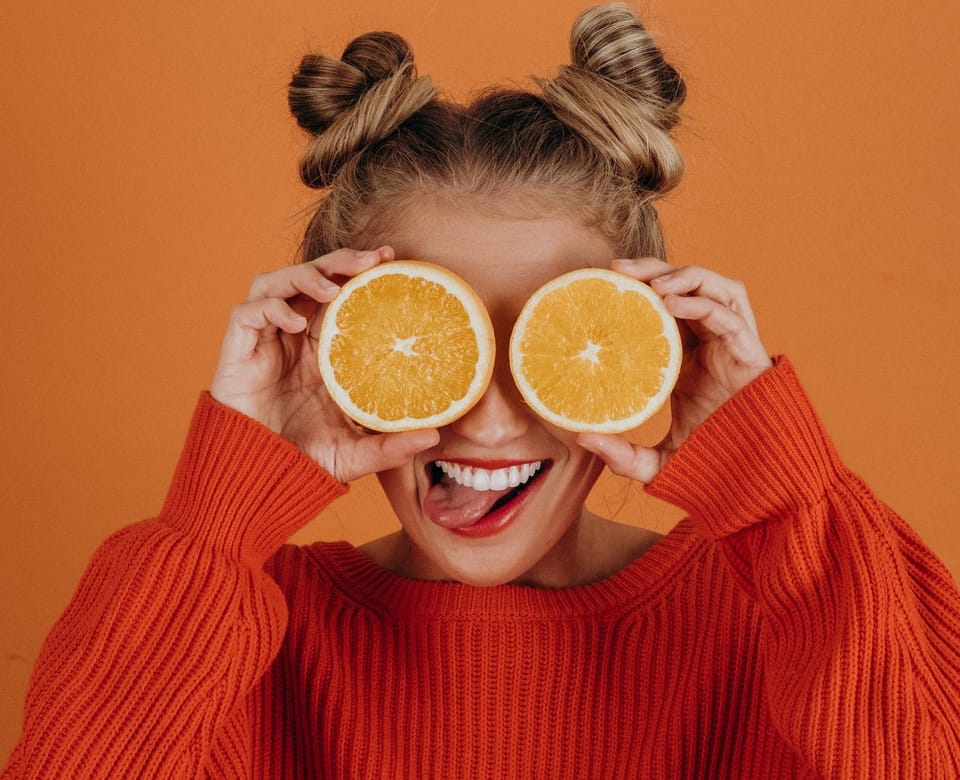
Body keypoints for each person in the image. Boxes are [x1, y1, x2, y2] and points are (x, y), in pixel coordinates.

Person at [3, 3, 959, 777]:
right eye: (432, 346)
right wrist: (215, 521)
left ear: (648, 346)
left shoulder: (787, 620)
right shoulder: (231, 641)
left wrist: (784, 494)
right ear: (332, 348)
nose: (493, 421)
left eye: (551, 340)